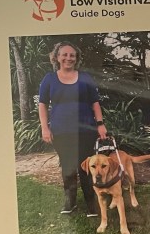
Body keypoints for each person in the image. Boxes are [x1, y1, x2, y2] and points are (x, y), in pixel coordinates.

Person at [38, 41, 109, 215]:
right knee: (68, 166)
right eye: (64, 54)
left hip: (86, 130)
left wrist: (100, 124)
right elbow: (42, 104)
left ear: (76, 58)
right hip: (61, 131)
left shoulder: (85, 77)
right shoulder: (49, 79)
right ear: (57, 57)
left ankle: (91, 203)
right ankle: (70, 202)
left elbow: (95, 103)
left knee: (85, 166)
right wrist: (45, 128)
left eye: (72, 55)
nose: (68, 58)